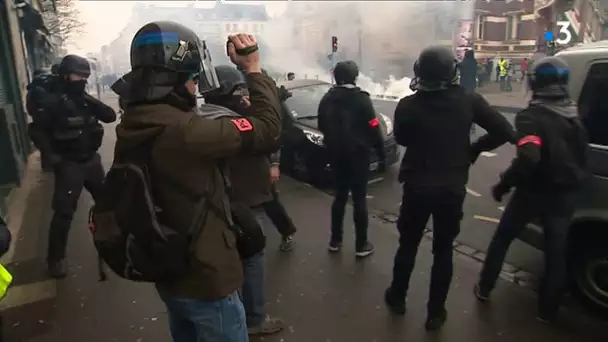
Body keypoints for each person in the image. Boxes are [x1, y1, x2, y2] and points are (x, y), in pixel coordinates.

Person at [113, 21, 281, 342]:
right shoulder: (188, 132)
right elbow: (268, 130)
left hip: (170, 269)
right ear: (175, 81)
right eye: (191, 79)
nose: (195, 87)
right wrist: (254, 69)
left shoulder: (134, 123)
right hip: (207, 277)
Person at [384, 46, 515, 331]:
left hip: (417, 186)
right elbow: (505, 131)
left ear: (420, 72)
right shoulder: (469, 100)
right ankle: (435, 313)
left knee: (407, 244)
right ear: (452, 72)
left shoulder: (408, 105)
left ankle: (397, 297)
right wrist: (474, 149)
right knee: (443, 251)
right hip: (451, 189)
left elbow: (403, 139)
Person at [474, 56, 590, 323]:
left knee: (502, 239)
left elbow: (529, 156)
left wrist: (504, 184)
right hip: (565, 196)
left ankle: (484, 287)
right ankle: (547, 310)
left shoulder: (531, 117)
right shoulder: (573, 114)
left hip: (533, 193)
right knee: (556, 251)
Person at [203, 64, 287, 336]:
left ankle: (240, 314)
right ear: (227, 93)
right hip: (243, 202)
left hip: (225, 202)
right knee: (252, 258)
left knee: (234, 258)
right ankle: (253, 318)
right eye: (239, 90)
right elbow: (271, 135)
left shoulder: (206, 117)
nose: (244, 95)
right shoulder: (230, 123)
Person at [27, 55, 116, 278]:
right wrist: (51, 154)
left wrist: (87, 99)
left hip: (91, 160)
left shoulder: (82, 98)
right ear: (65, 75)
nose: (82, 80)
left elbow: (109, 116)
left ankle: (116, 244)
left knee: (108, 204)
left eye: (85, 77)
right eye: (78, 76)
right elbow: (36, 130)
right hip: (69, 164)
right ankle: (55, 260)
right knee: (64, 213)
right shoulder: (52, 101)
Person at [318, 60, 386, 258]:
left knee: (339, 197)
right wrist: (380, 153)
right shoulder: (361, 99)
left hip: (337, 156)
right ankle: (361, 244)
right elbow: (373, 125)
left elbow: (322, 124)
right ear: (355, 76)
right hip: (358, 156)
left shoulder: (327, 99)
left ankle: (335, 240)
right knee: (359, 200)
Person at [26, 63, 60, 172]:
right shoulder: (45, 89)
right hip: (49, 121)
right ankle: (54, 166)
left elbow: (30, 108)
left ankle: (47, 167)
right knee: (51, 144)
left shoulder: (31, 90)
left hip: (38, 120)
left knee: (45, 147)